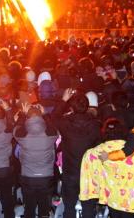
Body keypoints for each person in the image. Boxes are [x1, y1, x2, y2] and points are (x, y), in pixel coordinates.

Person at [51, 89, 101, 218]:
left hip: (71, 172)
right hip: (88, 172)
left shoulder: (65, 123)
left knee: (69, 206)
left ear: (72, 107)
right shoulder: (95, 125)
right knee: (88, 206)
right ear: (87, 106)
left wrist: (63, 100)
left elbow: (54, 117)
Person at [14, 103, 58, 218]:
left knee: (29, 208)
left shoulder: (22, 134)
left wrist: (23, 114)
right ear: (41, 117)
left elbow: (16, 129)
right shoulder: (51, 133)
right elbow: (53, 127)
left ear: (28, 118)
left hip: (28, 176)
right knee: (44, 209)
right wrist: (45, 114)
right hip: (46, 176)